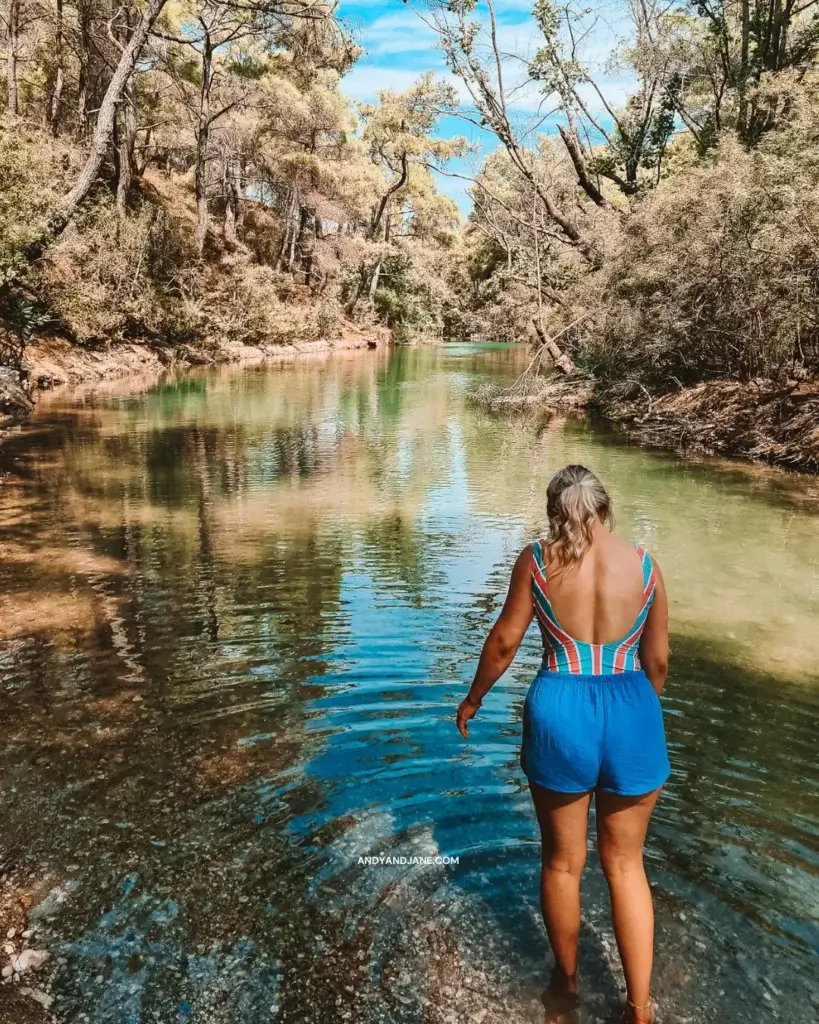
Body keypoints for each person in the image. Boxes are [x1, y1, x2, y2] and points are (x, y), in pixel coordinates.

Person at [456, 465, 670, 1024]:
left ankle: (566, 987)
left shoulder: (537, 560)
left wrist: (474, 698)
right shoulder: (645, 565)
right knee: (626, 865)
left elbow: (505, 641)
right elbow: (658, 662)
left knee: (562, 863)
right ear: (605, 507)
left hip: (561, 712)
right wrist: (637, 714)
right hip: (632, 711)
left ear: (556, 510)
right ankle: (640, 1009)